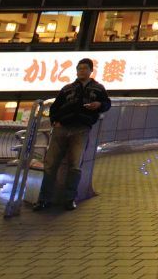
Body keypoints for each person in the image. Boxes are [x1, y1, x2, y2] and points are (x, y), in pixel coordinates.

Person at [34, 58, 112, 211]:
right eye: (79, 68)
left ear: (91, 71)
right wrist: (55, 121)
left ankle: (70, 199)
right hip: (62, 128)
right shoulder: (67, 88)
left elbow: (107, 103)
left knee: (75, 165)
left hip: (81, 128)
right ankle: (44, 199)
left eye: (85, 68)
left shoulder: (98, 88)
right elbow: (55, 107)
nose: (82, 71)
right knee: (50, 164)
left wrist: (99, 105)